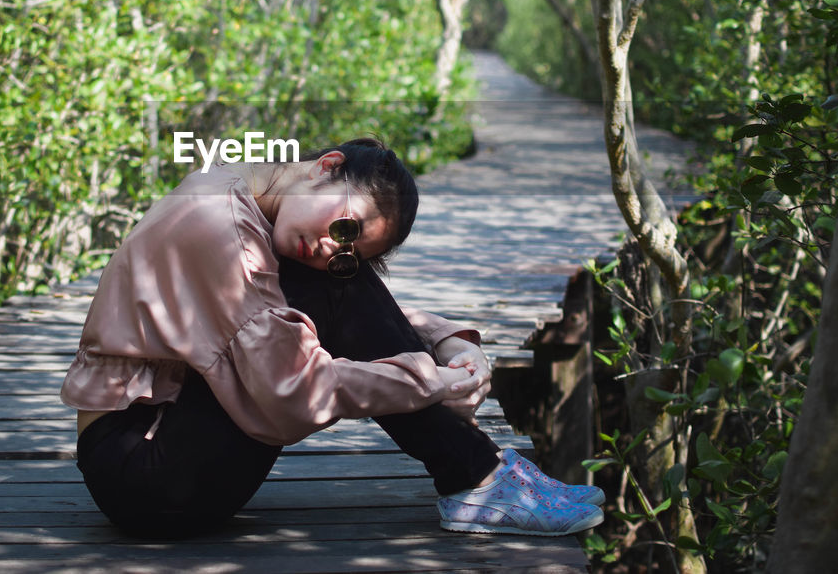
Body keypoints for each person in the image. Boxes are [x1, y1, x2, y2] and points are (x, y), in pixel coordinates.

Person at [60, 136, 604, 538]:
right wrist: (429, 380)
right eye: (345, 226)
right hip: (145, 471)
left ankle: (479, 476)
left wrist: (446, 341)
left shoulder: (240, 193)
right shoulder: (219, 227)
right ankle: (479, 475)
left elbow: (290, 312)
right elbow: (291, 388)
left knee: (338, 280)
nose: (330, 246)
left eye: (350, 245)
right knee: (337, 284)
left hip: (163, 446)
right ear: (328, 166)